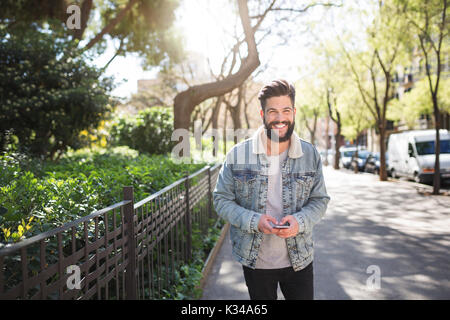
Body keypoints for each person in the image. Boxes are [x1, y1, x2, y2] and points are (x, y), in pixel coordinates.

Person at [213, 79, 330, 300]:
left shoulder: (310, 154)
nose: (279, 118)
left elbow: (319, 200)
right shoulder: (238, 155)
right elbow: (221, 200)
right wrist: (253, 220)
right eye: (273, 111)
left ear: (294, 112)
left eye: (286, 110)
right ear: (263, 114)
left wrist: (300, 221)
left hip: (300, 258)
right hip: (256, 260)